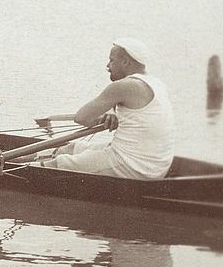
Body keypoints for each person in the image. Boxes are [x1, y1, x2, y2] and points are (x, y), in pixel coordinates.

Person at [36, 38, 174, 179]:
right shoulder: (156, 84)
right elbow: (127, 106)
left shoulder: (124, 86)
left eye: (111, 60)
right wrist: (110, 111)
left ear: (125, 62)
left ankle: (15, 168)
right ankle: (15, 161)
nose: (108, 66)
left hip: (133, 165)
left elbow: (82, 118)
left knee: (59, 163)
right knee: (71, 149)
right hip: (154, 165)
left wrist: (103, 115)